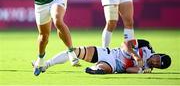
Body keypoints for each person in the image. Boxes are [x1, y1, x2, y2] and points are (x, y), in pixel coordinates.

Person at [35, 39, 171, 74]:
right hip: (110, 53)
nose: (155, 63)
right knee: (74, 51)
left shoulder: (148, 68)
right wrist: (135, 55)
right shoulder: (146, 46)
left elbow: (128, 70)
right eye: (157, 60)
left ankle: (95, 68)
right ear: (158, 54)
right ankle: (46, 64)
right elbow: (125, 44)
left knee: (103, 70)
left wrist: (140, 71)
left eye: (158, 65)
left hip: (114, 66)